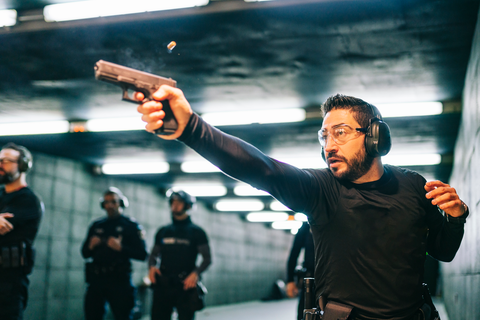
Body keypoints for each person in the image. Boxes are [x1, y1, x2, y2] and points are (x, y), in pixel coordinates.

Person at [136, 86, 469, 320]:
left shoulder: (413, 186)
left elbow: (443, 251)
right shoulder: (321, 188)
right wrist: (192, 128)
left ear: (375, 136)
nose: (329, 146)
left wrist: (455, 218)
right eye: (324, 136)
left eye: (341, 132)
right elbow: (263, 169)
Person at [81, 187, 148, 320]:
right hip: (97, 280)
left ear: (121, 203)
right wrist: (91, 246)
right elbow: (85, 253)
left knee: (123, 316)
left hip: (119, 281)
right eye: (106, 202)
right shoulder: (97, 225)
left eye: (114, 202)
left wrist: (121, 248)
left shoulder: (131, 226)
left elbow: (143, 254)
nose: (110, 205)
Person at [148, 190, 211, 320]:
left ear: (188, 205)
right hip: (164, 284)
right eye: (173, 202)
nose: (175, 206)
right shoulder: (163, 231)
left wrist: (196, 273)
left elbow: (207, 258)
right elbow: (153, 254)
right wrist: (152, 267)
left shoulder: (197, 232)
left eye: (179, 203)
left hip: (185, 284)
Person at [0, 142, 44, 320]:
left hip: (9, 284)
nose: (0, 164)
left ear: (23, 166)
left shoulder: (28, 200)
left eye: (6, 161)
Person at [286, 223, 315, 320]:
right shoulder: (306, 227)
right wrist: (290, 280)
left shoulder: (333, 221)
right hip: (310, 279)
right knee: (303, 314)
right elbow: (294, 254)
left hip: (331, 279)